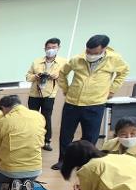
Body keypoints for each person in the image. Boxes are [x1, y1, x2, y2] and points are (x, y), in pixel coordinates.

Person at [52, 34, 130, 169]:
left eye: (94, 53)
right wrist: (66, 89)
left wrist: (112, 90)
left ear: (104, 49)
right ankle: (63, 161)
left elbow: (123, 72)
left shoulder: (114, 59)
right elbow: (62, 73)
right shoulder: (77, 59)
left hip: (95, 104)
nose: (90, 55)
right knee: (66, 135)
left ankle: (84, 162)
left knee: (90, 137)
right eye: (88, 51)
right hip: (72, 103)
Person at [0, 95, 46, 190]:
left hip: (11, 171)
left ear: (3, 108)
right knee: (24, 177)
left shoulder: (1, 122)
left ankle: (10, 187)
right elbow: (41, 141)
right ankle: (25, 187)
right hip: (35, 170)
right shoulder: (39, 116)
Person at [26, 38, 66, 151]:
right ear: (45, 48)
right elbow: (28, 77)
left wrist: (57, 76)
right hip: (34, 94)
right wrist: (35, 76)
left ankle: (46, 141)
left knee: (46, 117)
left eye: (53, 47)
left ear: (58, 48)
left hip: (49, 95)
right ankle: (31, 139)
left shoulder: (63, 62)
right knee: (32, 117)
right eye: (48, 47)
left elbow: (64, 78)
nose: (51, 50)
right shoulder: (36, 61)